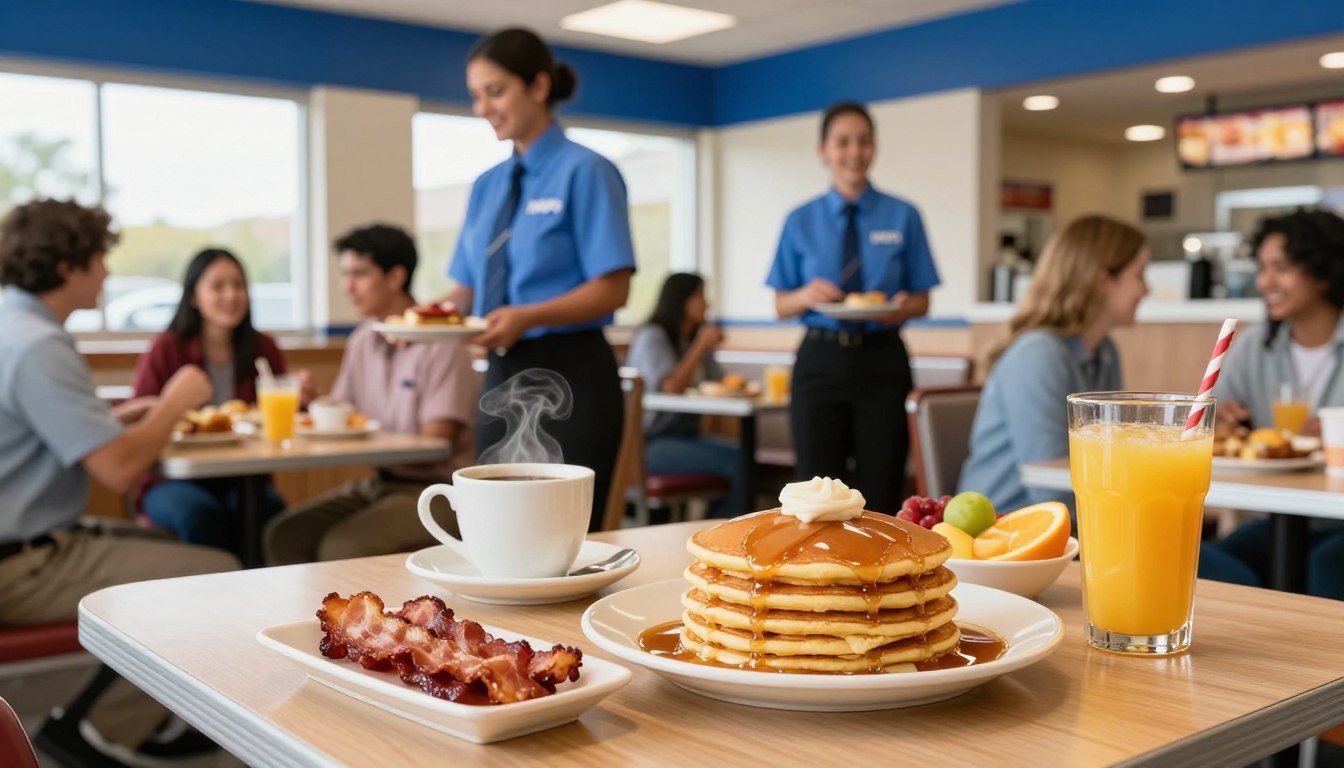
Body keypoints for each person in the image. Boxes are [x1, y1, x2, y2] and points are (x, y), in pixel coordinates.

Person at [0, 199, 239, 767]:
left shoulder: (13, 325)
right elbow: (118, 471)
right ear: (67, 268)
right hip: (19, 564)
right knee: (220, 574)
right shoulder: (38, 344)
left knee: (171, 548)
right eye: (100, 260)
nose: (107, 273)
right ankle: (102, 730)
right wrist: (176, 403)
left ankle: (121, 714)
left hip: (20, 539)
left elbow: (43, 431)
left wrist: (121, 420)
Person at [957, 214, 1255, 586]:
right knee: (1231, 574)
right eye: (1139, 274)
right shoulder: (1039, 355)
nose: (1145, 289)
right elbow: (1050, 490)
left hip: (1084, 525)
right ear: (1103, 281)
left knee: (1230, 564)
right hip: (1016, 537)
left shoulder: (1104, 352)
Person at [442, 28, 635, 531]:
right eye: (476, 95)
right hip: (500, 375)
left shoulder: (587, 171)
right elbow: (466, 290)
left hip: (573, 373)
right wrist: (412, 322)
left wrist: (528, 316)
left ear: (539, 87)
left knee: (565, 542)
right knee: (496, 532)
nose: (482, 106)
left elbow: (613, 288)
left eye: (496, 91)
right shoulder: (486, 187)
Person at [265, 224, 479, 564]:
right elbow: (345, 414)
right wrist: (311, 401)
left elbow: (435, 443)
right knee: (284, 534)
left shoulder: (443, 344)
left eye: (359, 274)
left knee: (343, 546)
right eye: (345, 274)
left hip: (439, 493)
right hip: (381, 482)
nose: (347, 286)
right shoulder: (362, 339)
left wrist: (363, 432)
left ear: (395, 277)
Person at [766, 101, 939, 515]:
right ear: (823, 150)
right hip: (819, 359)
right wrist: (806, 295)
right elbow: (780, 304)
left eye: (863, 141)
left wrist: (902, 306)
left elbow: (923, 299)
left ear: (874, 148)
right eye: (843, 142)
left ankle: (878, 576)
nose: (854, 152)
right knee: (813, 489)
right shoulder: (800, 220)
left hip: (882, 360)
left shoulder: (903, 215)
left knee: (881, 482)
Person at [1212, 209, 1344, 598]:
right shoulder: (1256, 346)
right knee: (1214, 564)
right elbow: (1215, 420)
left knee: (1325, 567)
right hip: (1280, 516)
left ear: (1322, 270)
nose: (1264, 281)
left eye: (1281, 267)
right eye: (1262, 267)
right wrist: (1222, 423)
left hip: (1338, 519)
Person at [131, 248, 290, 551]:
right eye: (218, 286)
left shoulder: (263, 348)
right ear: (193, 296)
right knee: (201, 516)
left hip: (246, 476)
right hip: (172, 480)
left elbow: (281, 421)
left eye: (238, 285)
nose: (231, 295)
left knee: (269, 512)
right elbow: (141, 418)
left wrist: (304, 399)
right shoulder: (166, 349)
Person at [625, 273, 744, 518]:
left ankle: (716, 531)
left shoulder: (693, 336)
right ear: (680, 300)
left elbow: (719, 384)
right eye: (700, 296)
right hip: (649, 444)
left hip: (687, 437)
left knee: (744, 455)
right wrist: (700, 346)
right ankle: (717, 540)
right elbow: (670, 386)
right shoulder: (652, 336)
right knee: (739, 462)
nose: (707, 304)